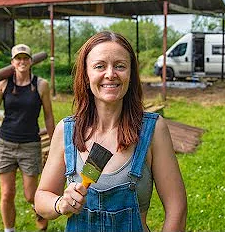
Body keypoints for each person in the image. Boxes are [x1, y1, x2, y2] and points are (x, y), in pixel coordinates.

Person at [34, 31, 187, 231]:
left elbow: (177, 208)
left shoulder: (153, 129)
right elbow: (41, 197)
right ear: (86, 74)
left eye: (120, 66)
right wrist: (60, 203)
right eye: (100, 66)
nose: (110, 74)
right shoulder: (67, 130)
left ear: (131, 74)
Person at [0, 44, 55, 232]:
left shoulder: (41, 85)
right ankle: (9, 229)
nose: (22, 61)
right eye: (18, 58)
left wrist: (54, 143)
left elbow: (48, 116)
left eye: (25, 58)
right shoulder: (4, 83)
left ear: (31, 61)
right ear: (12, 62)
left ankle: (38, 211)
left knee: (30, 195)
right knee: (7, 194)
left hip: (30, 144)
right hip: (5, 143)